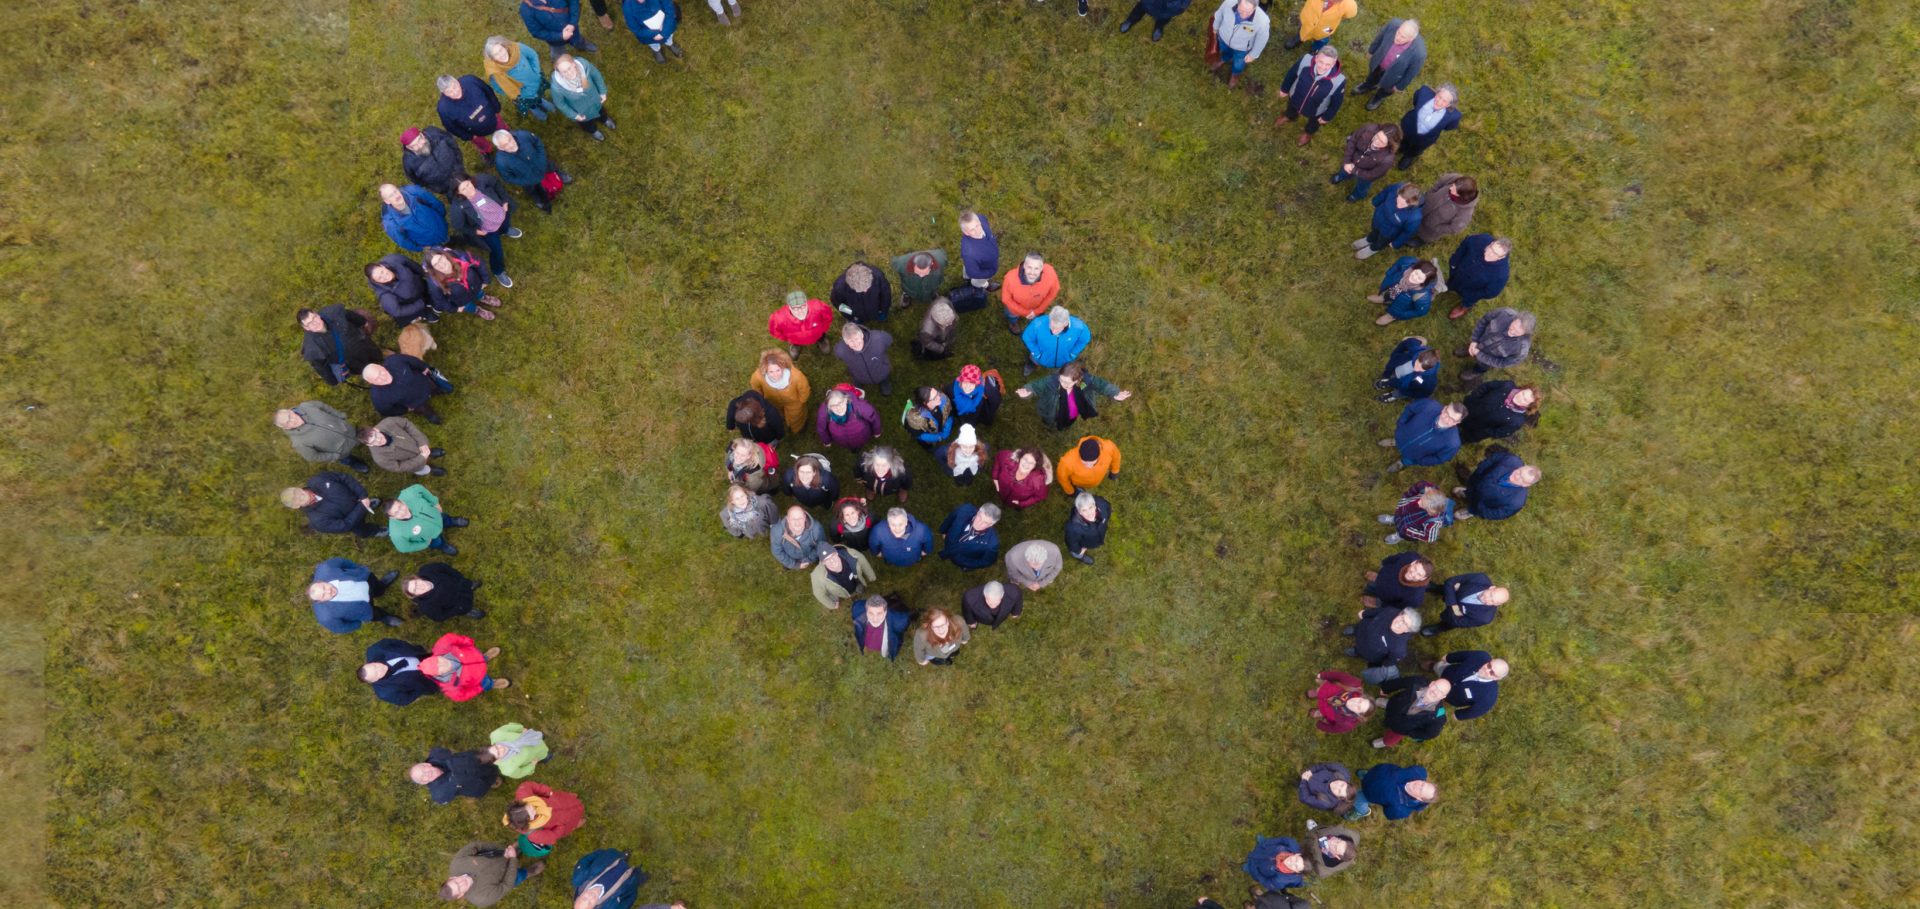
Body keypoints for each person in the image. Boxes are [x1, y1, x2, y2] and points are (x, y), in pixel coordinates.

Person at [446, 175, 519, 287]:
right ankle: (498, 271)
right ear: (458, 193)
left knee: (505, 224)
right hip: (488, 230)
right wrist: (476, 232)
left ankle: (505, 230)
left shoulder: (482, 180)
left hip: (501, 214)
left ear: (470, 181)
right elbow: (458, 226)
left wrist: (504, 201)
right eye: (463, 189)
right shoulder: (458, 207)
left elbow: (495, 182)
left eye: (468, 184)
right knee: (496, 251)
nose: (469, 189)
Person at [1017, 361, 1133, 431]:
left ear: (1078, 380)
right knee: (1049, 420)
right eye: (1061, 380)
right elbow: (1036, 386)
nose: (1063, 384)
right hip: (1051, 410)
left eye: (1068, 383)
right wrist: (1028, 391)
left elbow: (1102, 385)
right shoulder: (1051, 381)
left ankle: (1066, 426)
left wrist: (1114, 393)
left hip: (1072, 413)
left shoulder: (1085, 382)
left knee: (1068, 421)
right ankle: (1050, 426)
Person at [307, 558, 404, 632]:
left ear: (321, 581)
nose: (328, 591)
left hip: (366, 580)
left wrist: (357, 568)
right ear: (321, 601)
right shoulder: (326, 618)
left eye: (324, 587)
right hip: (364, 610)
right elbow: (342, 628)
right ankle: (385, 617)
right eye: (324, 596)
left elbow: (342, 561)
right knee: (376, 614)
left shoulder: (326, 568)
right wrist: (358, 623)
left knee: (377, 587)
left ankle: (381, 587)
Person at [1274, 46, 1345, 147]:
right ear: (1315, 58)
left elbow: (1337, 102)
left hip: (1317, 109)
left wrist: (1327, 116)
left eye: (1328, 64)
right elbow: (1291, 73)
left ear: (1333, 64)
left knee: (1314, 123)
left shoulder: (1339, 80)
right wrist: (1284, 89)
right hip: (1295, 97)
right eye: (1320, 62)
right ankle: (1289, 116)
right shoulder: (1305, 60)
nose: (1323, 67)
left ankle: (1308, 133)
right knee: (1291, 108)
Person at [297, 304, 382, 386]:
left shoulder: (335, 313)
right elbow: (321, 367)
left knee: (378, 356)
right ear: (306, 328)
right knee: (366, 371)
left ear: (318, 315)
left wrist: (362, 322)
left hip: (364, 345)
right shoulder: (312, 348)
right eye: (309, 323)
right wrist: (332, 381)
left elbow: (350, 316)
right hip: (353, 363)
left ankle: (381, 359)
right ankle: (375, 378)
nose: (315, 323)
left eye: (314, 318)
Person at [280, 471, 383, 538]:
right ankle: (374, 531)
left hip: (359, 498)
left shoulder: (317, 480)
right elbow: (344, 525)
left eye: (296, 492)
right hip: (355, 521)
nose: (299, 496)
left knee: (365, 501)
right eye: (295, 500)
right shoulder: (318, 521)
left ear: (297, 488)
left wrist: (363, 496)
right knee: (362, 530)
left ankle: (368, 504)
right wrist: (362, 507)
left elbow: (343, 477)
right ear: (296, 506)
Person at [1354, 18, 1425, 111]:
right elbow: (1379, 38)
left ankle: (1379, 97)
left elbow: (1411, 73)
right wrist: (1371, 51)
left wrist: (1399, 86)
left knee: (1387, 88)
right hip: (1379, 62)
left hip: (1394, 75)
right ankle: (1368, 85)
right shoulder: (1393, 24)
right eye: (1398, 32)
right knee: (1372, 75)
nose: (1398, 37)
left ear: (1411, 39)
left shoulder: (1419, 53)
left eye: (1403, 37)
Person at [275, 402, 368, 472]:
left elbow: (323, 406)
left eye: (290, 416)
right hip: (341, 451)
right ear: (286, 427)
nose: (293, 420)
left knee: (363, 437)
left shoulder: (306, 406)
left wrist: (339, 416)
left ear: (290, 411)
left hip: (348, 430)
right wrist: (335, 456)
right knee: (346, 459)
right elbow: (313, 457)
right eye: (288, 422)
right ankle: (354, 463)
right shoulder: (298, 443)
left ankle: (365, 441)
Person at [491, 128, 568, 213]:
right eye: (505, 145)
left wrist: (542, 159)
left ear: (511, 135)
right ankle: (540, 201)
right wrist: (526, 181)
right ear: (500, 148)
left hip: (542, 164)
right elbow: (508, 178)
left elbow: (537, 142)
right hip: (529, 181)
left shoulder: (523, 136)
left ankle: (561, 175)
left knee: (552, 166)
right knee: (534, 191)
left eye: (510, 140)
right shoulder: (501, 161)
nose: (511, 145)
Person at [441, 841, 539, 906]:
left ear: (452, 878)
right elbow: (506, 885)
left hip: (501, 854)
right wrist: (513, 860)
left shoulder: (457, 863)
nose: (461, 883)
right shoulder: (481, 899)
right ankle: (533, 869)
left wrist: (501, 850)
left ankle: (521, 845)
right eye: (459, 888)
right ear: (460, 895)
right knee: (528, 872)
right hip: (511, 876)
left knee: (519, 844)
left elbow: (476, 845)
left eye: (456, 882)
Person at [504, 779, 581, 860]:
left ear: (520, 804)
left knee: (567, 798)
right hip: (565, 820)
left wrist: (547, 792)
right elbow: (553, 836)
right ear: (528, 822)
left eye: (530, 806)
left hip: (557, 800)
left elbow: (527, 785)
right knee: (574, 821)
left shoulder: (523, 795)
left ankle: (572, 797)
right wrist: (561, 826)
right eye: (532, 813)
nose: (534, 809)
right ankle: (578, 821)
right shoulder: (533, 834)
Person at [483, 35, 555, 121]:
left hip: (534, 81)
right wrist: (514, 93)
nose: (501, 55)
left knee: (538, 95)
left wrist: (536, 72)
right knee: (531, 104)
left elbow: (532, 55)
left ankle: (541, 101)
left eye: (501, 50)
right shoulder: (494, 72)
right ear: (492, 59)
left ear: (505, 47)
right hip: (522, 95)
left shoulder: (518, 48)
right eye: (496, 55)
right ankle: (537, 110)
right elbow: (498, 88)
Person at [1441, 234, 1512, 320]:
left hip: (1473, 289)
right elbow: (1465, 245)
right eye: (1491, 248)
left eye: (1495, 254)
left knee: (1469, 299)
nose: (1489, 254)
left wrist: (1472, 295)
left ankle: (1464, 307)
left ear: (1502, 257)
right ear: (1491, 243)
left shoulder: (1501, 274)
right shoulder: (1480, 240)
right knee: (1452, 282)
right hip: (1459, 273)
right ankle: (1449, 286)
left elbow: (1491, 292)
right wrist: (1453, 263)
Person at [1381, 398, 1464, 471]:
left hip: (1416, 456)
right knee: (1399, 440)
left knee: (1408, 460)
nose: (1446, 419)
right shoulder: (1428, 405)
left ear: (1457, 422)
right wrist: (1401, 424)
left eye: (1452, 419)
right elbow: (1410, 409)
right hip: (1402, 435)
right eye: (1447, 413)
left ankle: (1401, 463)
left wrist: (1422, 460)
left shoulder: (1453, 444)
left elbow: (1439, 458)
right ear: (1444, 408)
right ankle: (1395, 441)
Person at [1342, 605, 1419, 681]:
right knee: (1358, 628)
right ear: (1400, 614)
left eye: (1405, 624)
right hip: (1364, 627)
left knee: (1362, 650)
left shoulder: (1399, 649)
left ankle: (1357, 651)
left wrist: (1382, 663)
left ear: (1408, 631)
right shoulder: (1390, 611)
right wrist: (1364, 613)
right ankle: (1355, 630)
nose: (1400, 623)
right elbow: (1376, 611)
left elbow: (1390, 661)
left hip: (1367, 650)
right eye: (1402, 618)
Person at [1458, 450, 1540, 521]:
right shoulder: (1511, 460)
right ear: (1522, 466)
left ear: (1526, 484)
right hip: (1477, 483)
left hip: (1482, 503)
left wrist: (1480, 509)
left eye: (1522, 479)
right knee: (1471, 490)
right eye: (1520, 472)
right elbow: (1493, 459)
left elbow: (1497, 514)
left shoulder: (1517, 502)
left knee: (1475, 507)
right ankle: (1466, 493)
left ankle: (1471, 511)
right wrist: (1479, 472)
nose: (1517, 476)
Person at [422, 246, 502, 319]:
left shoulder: (460, 256)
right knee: (468, 306)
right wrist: (454, 309)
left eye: (440, 259)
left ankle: (483, 298)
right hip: (461, 299)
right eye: (436, 264)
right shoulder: (434, 282)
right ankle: (477, 310)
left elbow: (479, 263)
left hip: (475, 285)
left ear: (444, 256)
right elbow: (439, 299)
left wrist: (485, 280)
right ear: (433, 268)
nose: (441, 265)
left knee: (479, 292)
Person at [387, 483, 469, 555]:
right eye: (396, 513)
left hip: (437, 516)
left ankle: (452, 521)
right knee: (437, 542)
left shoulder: (409, 494)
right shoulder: (396, 533)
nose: (402, 512)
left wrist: (435, 503)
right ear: (392, 517)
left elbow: (419, 488)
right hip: (430, 537)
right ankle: (443, 546)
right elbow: (403, 548)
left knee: (445, 518)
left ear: (402, 502)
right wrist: (425, 544)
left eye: (400, 506)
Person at [426, 632, 511, 700]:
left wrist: (467, 642)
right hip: (475, 679)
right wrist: (479, 688)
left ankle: (484, 658)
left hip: (471, 657)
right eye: (441, 669)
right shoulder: (449, 686)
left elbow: (449, 638)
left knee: (477, 657)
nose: (443, 664)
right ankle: (492, 684)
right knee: (485, 682)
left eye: (439, 661)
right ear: (439, 675)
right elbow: (462, 695)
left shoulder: (441, 648)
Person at [1373, 674, 1450, 748]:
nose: (1435, 692)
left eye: (1441, 692)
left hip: (1400, 728)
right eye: (1436, 686)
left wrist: (1410, 733)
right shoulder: (1418, 681)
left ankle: (1385, 742)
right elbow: (1400, 682)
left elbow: (1430, 734)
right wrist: (1386, 688)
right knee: (1391, 706)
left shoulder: (1438, 718)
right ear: (1432, 683)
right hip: (1394, 705)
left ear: (1443, 697)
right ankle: (1387, 703)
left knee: (1391, 738)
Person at [1461, 307, 1536, 381]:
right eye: (1514, 325)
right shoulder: (1504, 313)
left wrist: (1479, 355)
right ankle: (1469, 349)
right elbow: (1484, 320)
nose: (1513, 330)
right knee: (1472, 347)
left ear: (1525, 333)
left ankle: (1476, 371)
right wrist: (1474, 340)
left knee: (1482, 366)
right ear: (1515, 318)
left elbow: (1502, 363)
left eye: (1519, 330)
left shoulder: (1520, 350)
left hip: (1488, 360)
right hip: (1479, 342)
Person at [1396, 83, 1461, 170]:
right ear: (1436, 93)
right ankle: (1401, 147)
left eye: (1444, 101)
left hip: (1426, 139)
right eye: (1439, 96)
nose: (1439, 102)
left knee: (1417, 148)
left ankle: (1409, 155)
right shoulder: (1423, 92)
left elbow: (1449, 127)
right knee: (1403, 138)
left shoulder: (1454, 116)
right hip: (1409, 126)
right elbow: (1416, 102)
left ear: (1449, 105)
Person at [1332, 122, 1399, 202]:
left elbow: (1373, 175)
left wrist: (1355, 170)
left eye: (1381, 142)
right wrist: (1347, 161)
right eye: (1377, 136)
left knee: (1362, 186)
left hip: (1365, 175)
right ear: (1378, 130)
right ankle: (1341, 176)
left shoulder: (1387, 159)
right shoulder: (1368, 128)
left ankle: (1357, 195)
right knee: (1344, 170)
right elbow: (1352, 141)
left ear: (1389, 144)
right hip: (1352, 160)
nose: (1376, 141)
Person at [1421, 572, 1507, 635]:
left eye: (1492, 601)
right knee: (1446, 589)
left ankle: (1438, 628)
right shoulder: (1480, 578)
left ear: (1496, 605)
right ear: (1492, 588)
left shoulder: (1485, 618)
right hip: (1458, 594)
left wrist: (1452, 604)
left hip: (1453, 614)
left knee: (1450, 623)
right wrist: (1454, 606)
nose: (1486, 599)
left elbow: (1458, 622)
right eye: (1490, 594)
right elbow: (1450, 582)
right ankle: (1435, 588)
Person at [1354, 182, 1423, 260]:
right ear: (1398, 192)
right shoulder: (1396, 188)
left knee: (1381, 242)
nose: (1399, 204)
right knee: (1373, 231)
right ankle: (1369, 239)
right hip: (1378, 218)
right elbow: (1384, 193)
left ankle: (1373, 249)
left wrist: (1395, 243)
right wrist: (1375, 202)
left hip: (1388, 233)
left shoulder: (1415, 217)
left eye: (1404, 204)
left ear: (1412, 203)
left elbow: (1408, 233)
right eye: (1399, 199)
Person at [1209, 0, 1270, 89]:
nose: (1244, 15)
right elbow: (1219, 15)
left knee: (1238, 64)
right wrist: (1215, 28)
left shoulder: (1262, 21)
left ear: (1255, 8)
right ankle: (1223, 59)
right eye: (1241, 10)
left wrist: (1253, 55)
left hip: (1242, 49)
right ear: (1237, 3)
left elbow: (1262, 39)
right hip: (1224, 39)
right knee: (1225, 51)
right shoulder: (1228, 3)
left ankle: (1235, 74)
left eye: (1248, 12)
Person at [436, 74, 504, 152]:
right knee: (482, 144)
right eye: (449, 92)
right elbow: (451, 127)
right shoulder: (443, 109)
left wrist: (496, 108)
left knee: (502, 129)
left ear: (457, 81)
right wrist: (469, 136)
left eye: (455, 87)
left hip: (493, 117)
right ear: (444, 93)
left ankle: (507, 135)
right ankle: (487, 151)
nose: (455, 92)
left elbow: (488, 91)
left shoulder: (471, 81)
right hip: (475, 133)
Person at [380, 181, 452, 253]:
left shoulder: (414, 192)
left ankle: (451, 240)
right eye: (391, 195)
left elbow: (433, 201)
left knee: (450, 239)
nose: (396, 196)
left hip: (441, 226)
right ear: (387, 201)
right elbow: (403, 242)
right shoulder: (391, 224)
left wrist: (442, 216)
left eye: (395, 191)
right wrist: (420, 248)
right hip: (430, 243)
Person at [411, 746, 501, 804]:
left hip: (476, 762)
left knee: (490, 764)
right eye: (423, 777)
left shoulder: (436, 756)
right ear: (424, 782)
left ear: (427, 764)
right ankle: (493, 780)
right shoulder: (439, 793)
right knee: (488, 779)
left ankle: (494, 763)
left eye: (423, 769)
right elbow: (442, 797)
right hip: (476, 783)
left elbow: (443, 751)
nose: (426, 774)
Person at [361, 638, 438, 705]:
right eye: (376, 673)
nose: (379, 669)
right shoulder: (385, 693)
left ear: (370, 663)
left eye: (375, 666)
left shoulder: (375, 650)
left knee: (440, 656)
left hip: (420, 656)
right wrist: (420, 689)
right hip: (430, 680)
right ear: (374, 680)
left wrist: (408, 647)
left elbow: (390, 642)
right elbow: (404, 700)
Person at [571, 849, 658, 909]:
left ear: (580, 895)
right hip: (629, 879)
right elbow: (627, 903)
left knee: (619, 857)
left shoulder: (578, 878)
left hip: (613, 861)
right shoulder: (609, 907)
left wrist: (601, 853)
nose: (590, 896)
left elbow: (585, 860)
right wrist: (634, 889)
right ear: (593, 907)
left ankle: (623, 857)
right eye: (590, 903)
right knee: (636, 879)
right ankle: (640, 877)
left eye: (584, 898)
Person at [750, 348, 812, 432]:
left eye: (778, 370)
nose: (775, 375)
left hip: (794, 402)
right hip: (772, 401)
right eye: (771, 372)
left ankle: (798, 428)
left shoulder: (796, 376)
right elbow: (756, 388)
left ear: (783, 366)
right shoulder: (758, 376)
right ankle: (782, 420)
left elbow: (804, 389)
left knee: (796, 417)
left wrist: (801, 401)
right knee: (777, 413)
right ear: (765, 370)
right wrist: (762, 400)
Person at [1002, 253, 1062, 339]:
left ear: (1042, 268)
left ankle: (1034, 321)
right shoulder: (1010, 278)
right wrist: (1026, 313)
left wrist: (1037, 311)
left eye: (1036, 268)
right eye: (1029, 267)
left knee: (1037, 317)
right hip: (1015, 309)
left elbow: (1053, 292)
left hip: (1037, 307)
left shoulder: (1050, 273)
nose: (1032, 273)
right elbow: (1006, 299)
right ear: (1024, 266)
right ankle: (1013, 323)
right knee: (1011, 316)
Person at [1459, 380, 1539, 444]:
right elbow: (1487, 386)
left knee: (1459, 438)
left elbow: (1499, 433)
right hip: (1468, 410)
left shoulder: (1517, 421)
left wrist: (1484, 431)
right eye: (1523, 393)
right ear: (1522, 389)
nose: (1520, 397)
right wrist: (1473, 397)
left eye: (1525, 400)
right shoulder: (1507, 385)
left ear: (1528, 406)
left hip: (1474, 431)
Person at [1347, 762, 1434, 820]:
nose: (1418, 785)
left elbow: (1388, 814)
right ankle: (1366, 776)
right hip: (1375, 773)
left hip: (1369, 794)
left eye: (1420, 790)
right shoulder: (1419, 772)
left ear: (1420, 799)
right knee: (1370, 776)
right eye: (1423, 784)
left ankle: (1362, 811)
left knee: (1357, 799)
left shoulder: (1401, 810)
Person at [1434, 650, 1506, 720]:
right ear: (1491, 660)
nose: (1487, 670)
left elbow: (1476, 711)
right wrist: (1448, 658)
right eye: (1489, 665)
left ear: (1497, 678)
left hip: (1450, 698)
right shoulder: (1481, 656)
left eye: (1492, 673)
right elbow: (1462, 655)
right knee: (1436, 666)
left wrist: (1459, 715)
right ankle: (1431, 666)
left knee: (1435, 702)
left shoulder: (1489, 697)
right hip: (1446, 673)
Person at [1022, 305, 1091, 377]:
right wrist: (1037, 353)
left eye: (1057, 328)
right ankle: (1031, 365)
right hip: (1039, 355)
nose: (1053, 331)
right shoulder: (1037, 324)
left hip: (1064, 359)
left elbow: (1084, 339)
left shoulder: (1079, 327)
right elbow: (1027, 338)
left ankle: (1059, 373)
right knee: (1034, 360)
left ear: (1065, 324)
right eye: (1051, 326)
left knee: (1062, 369)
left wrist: (1073, 353)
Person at [1413, 174, 1478, 248]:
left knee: (1424, 235)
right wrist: (1430, 194)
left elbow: (1454, 228)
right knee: (1414, 220)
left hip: (1429, 230)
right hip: (1423, 209)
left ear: (1463, 196)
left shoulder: (1465, 213)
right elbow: (1440, 182)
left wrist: (1437, 228)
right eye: (1453, 185)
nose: (1451, 188)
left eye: (1455, 190)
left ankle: (1421, 239)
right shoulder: (1455, 178)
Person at [1367, 256, 1437, 325]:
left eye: (1419, 278)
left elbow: (1421, 311)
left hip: (1401, 306)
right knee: (1389, 293)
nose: (1414, 277)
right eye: (1416, 273)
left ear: (1424, 282)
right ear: (1415, 268)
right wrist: (1389, 273)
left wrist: (1401, 314)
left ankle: (1391, 316)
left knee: (1395, 311)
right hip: (1394, 289)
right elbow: (1397, 265)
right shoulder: (1407, 262)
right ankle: (1383, 297)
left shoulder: (1422, 296)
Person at [401, 126, 467, 198]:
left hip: (459, 171)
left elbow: (452, 142)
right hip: (444, 187)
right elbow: (416, 180)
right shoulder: (409, 162)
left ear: (422, 135)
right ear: (409, 148)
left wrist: (458, 162)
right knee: (457, 199)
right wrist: (436, 188)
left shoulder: (435, 134)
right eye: (414, 146)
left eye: (419, 140)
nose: (420, 146)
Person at [1380, 480, 1455, 544]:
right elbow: (1421, 484)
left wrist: (1409, 532)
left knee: (1402, 532)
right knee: (1398, 517)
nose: (1418, 502)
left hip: (1408, 528)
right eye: (1422, 498)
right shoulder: (1428, 494)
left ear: (1430, 512)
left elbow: (1429, 538)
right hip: (1402, 513)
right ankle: (1394, 519)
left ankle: (1398, 536)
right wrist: (1407, 496)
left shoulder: (1433, 523)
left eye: (1422, 504)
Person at [405, 562, 486, 621]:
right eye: (415, 590)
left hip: (460, 584)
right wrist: (456, 609)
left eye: (416, 583)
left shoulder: (427, 570)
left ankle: (470, 585)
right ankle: (468, 611)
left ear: (417, 578)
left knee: (467, 585)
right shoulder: (426, 607)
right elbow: (440, 617)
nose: (419, 587)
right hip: (458, 604)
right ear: (415, 595)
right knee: (465, 607)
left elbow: (443, 567)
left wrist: (460, 578)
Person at [368, 253, 435, 324]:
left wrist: (427, 275)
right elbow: (397, 311)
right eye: (379, 278)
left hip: (420, 286)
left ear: (382, 266)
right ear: (376, 281)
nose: (384, 276)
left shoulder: (395, 259)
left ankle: (430, 299)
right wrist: (419, 304)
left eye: (382, 272)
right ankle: (424, 312)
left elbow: (413, 266)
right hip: (411, 302)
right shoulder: (384, 295)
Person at [520, 0, 599, 58]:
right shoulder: (525, 10)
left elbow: (574, 3)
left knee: (578, 40)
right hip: (555, 40)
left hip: (573, 29)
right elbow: (536, 32)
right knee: (558, 53)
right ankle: (558, 58)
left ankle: (582, 45)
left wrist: (572, 23)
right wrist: (560, 36)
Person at [834, 322, 895, 396]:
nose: (855, 344)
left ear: (862, 335)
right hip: (859, 376)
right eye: (851, 341)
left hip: (881, 372)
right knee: (857, 381)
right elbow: (837, 353)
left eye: (856, 338)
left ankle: (885, 383)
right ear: (846, 342)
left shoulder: (879, 339)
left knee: (884, 377)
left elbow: (889, 339)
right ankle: (858, 386)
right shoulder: (841, 350)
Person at [815, 385, 882, 451]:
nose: (838, 408)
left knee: (859, 445)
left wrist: (877, 431)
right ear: (828, 407)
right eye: (833, 405)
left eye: (840, 403)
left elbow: (875, 418)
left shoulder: (861, 407)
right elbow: (821, 429)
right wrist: (826, 441)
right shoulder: (823, 413)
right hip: (841, 441)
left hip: (862, 436)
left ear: (846, 400)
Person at [937, 502, 1002, 570]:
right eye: (979, 517)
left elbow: (986, 561)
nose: (979, 523)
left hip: (959, 559)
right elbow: (950, 519)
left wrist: (966, 564)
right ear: (978, 512)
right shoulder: (963, 511)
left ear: (991, 524)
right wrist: (944, 531)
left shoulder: (992, 544)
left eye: (985, 522)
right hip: (949, 542)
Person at [1307, 668, 1372, 734]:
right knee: (1320, 689)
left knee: (1323, 710)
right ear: (1363, 697)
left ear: (1359, 714)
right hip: (1327, 690)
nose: (1355, 703)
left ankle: (1319, 712)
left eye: (1359, 708)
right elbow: (1339, 675)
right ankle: (1317, 692)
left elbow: (1334, 729)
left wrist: (1321, 725)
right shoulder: (1356, 685)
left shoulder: (1348, 724)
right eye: (1360, 701)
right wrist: (1322, 675)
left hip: (1326, 710)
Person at [810, 544, 876, 609]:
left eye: (832, 556)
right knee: (847, 594)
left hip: (856, 582)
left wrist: (871, 576)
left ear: (836, 553)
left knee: (860, 589)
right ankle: (850, 596)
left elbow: (864, 562)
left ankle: (860, 591)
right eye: (827, 560)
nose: (832, 561)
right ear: (823, 563)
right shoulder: (817, 576)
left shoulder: (852, 555)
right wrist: (832, 605)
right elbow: (819, 594)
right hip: (841, 592)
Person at [1375, 336, 1439, 403]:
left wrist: (1410, 393)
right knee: (1393, 378)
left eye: (1422, 368)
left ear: (1430, 368)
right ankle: (1387, 382)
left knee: (1400, 392)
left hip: (1406, 388)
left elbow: (1424, 393)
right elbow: (1409, 342)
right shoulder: (1416, 350)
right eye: (1417, 362)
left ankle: (1391, 395)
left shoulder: (1430, 381)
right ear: (1419, 355)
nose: (1416, 368)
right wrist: (1396, 353)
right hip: (1398, 372)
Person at [769, 290, 834, 355]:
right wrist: (787, 338)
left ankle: (822, 341)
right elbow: (774, 331)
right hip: (795, 339)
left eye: (803, 306)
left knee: (821, 336)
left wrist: (822, 330)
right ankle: (796, 346)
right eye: (795, 308)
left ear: (807, 303)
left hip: (818, 334)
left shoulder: (819, 307)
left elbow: (828, 317)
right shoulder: (778, 319)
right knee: (795, 341)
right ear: (789, 307)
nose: (800, 311)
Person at [1361, 552, 1432, 611]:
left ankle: (1375, 602)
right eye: (1415, 568)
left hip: (1385, 597)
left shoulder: (1414, 599)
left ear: (1423, 578)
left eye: (1419, 574)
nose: (1413, 574)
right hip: (1383, 576)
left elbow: (1397, 607)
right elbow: (1395, 558)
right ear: (1413, 563)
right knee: (1379, 578)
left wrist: (1382, 604)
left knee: (1381, 601)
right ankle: (1376, 577)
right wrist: (1384, 563)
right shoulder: (1410, 556)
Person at [852, 594, 912, 660]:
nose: (875, 619)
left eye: (879, 613)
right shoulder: (857, 608)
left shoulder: (900, 620)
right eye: (871, 613)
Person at [1057, 435, 1122, 494]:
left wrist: (1115, 471)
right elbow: (1062, 477)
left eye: (1092, 462)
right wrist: (1070, 491)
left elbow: (1116, 457)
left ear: (1099, 455)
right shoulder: (1067, 461)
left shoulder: (1108, 448)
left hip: (1096, 481)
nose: (1088, 466)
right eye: (1084, 462)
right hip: (1078, 483)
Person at [1241, 836, 1306, 894]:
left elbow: (1266, 882)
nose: (1292, 862)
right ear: (1298, 854)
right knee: (1265, 845)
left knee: (1254, 868)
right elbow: (1280, 840)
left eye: (1296, 866)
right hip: (1266, 850)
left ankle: (1250, 867)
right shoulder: (1291, 843)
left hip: (1260, 869)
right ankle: (1262, 843)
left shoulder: (1280, 881)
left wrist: (1254, 871)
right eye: (1296, 860)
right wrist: (1265, 843)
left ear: (1297, 871)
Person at [1284, 0, 1356, 52]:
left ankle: (1315, 51)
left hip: (1326, 29)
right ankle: (1299, 39)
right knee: (1303, 31)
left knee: (1322, 40)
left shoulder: (1348, 5)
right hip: (1307, 20)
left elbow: (1351, 14)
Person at [770, 505, 827, 570]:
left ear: (805, 518)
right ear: (788, 520)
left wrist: (809, 560)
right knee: (788, 564)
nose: (797, 523)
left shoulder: (816, 529)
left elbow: (821, 545)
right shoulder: (777, 531)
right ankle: (789, 565)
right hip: (790, 557)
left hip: (809, 555)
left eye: (800, 518)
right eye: (793, 519)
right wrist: (793, 564)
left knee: (819, 557)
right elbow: (777, 552)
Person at [1063, 491, 1112, 565]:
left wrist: (1105, 519)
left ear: (1095, 506)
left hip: (1099, 535)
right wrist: (1078, 551)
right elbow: (1071, 542)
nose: (1089, 513)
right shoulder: (1073, 527)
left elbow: (1108, 509)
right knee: (1076, 553)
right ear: (1079, 512)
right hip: (1085, 543)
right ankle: (1079, 556)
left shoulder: (1102, 504)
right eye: (1084, 510)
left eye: (1090, 507)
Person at [958, 211, 1000, 292]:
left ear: (979, 221)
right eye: (972, 230)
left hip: (977, 262)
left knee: (968, 266)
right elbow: (973, 273)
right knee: (976, 280)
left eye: (977, 226)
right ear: (966, 232)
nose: (977, 231)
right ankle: (985, 285)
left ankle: (966, 278)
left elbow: (984, 219)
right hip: (984, 269)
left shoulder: (981, 218)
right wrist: (990, 272)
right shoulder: (969, 253)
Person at [1118, 0, 1192, 42]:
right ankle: (1131, 20)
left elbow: (1184, 4)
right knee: (1140, 8)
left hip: (1171, 6)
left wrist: (1181, 7)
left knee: (1164, 18)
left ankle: (1159, 28)